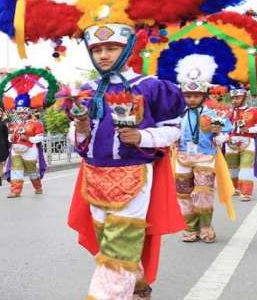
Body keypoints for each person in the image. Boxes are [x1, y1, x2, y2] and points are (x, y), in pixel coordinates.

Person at [67, 23, 187, 299]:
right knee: (106, 240)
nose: (103, 55)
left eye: (111, 48)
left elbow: (173, 129)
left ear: (128, 49)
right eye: (96, 50)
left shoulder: (151, 86)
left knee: (119, 246)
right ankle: (139, 284)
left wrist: (141, 136)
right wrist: (81, 128)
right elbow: (77, 139)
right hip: (93, 176)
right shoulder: (86, 90)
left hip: (134, 174)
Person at [175, 81, 234, 243]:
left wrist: (218, 135)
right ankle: (190, 228)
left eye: (196, 96)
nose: (192, 99)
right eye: (188, 96)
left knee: (203, 194)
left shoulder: (213, 113)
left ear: (203, 96)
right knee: (183, 195)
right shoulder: (178, 113)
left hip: (205, 156)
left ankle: (206, 227)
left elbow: (228, 131)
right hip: (181, 156)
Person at [226, 87, 257, 201]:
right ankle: (235, 188)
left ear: (244, 98)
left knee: (246, 167)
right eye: (233, 98)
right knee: (232, 168)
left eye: (237, 98)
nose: (234, 100)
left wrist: (248, 130)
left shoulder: (254, 111)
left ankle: (246, 192)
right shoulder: (228, 112)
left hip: (248, 141)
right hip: (230, 142)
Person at [6, 106, 45, 197]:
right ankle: (15, 191)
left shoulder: (36, 123)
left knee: (32, 171)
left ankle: (38, 187)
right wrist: (11, 138)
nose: (21, 115)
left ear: (28, 112)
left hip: (30, 151)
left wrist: (27, 138)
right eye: (19, 113)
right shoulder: (15, 124)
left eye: (23, 113)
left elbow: (40, 138)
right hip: (16, 149)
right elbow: (9, 136)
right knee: (16, 170)